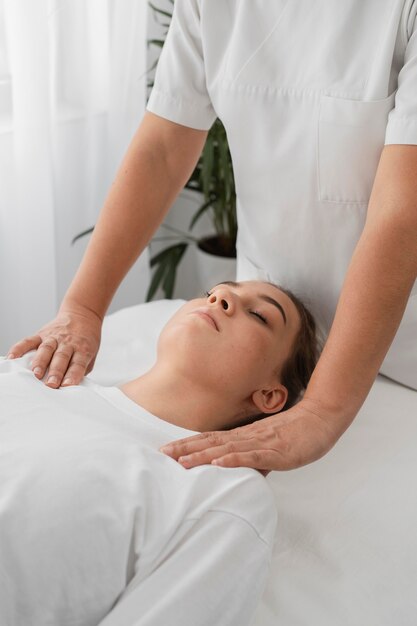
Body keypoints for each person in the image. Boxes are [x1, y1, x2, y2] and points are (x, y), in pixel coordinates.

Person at [6, 0, 417, 473]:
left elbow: (400, 214)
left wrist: (323, 410)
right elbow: (163, 147)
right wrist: (82, 308)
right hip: (273, 322)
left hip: (401, 347)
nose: (217, 298)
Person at [0, 280, 319, 626]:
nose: (220, 297)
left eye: (259, 315)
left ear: (270, 396)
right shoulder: (36, 369)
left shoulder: (222, 489)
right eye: (212, 291)